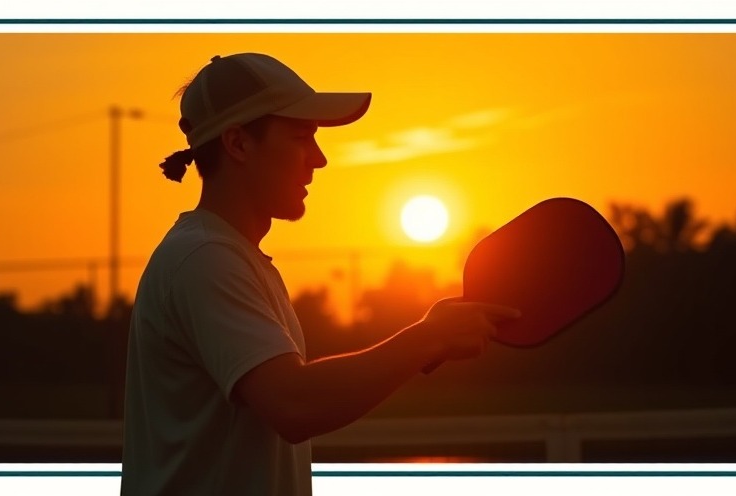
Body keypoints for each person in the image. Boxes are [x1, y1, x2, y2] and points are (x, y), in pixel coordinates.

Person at [120, 52, 520, 496]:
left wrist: (430, 337)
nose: (320, 159)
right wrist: (430, 337)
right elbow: (294, 402)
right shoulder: (206, 258)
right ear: (238, 144)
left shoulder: (229, 257)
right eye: (300, 137)